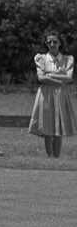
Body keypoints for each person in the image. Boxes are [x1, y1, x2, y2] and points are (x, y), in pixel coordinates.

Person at [30, 30, 77, 158]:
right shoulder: (41, 58)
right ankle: (49, 156)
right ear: (45, 43)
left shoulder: (68, 59)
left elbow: (69, 77)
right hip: (46, 95)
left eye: (55, 41)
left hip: (61, 95)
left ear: (60, 43)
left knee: (58, 128)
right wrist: (58, 78)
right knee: (47, 127)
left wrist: (50, 75)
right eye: (49, 42)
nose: (52, 44)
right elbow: (41, 78)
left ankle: (56, 157)